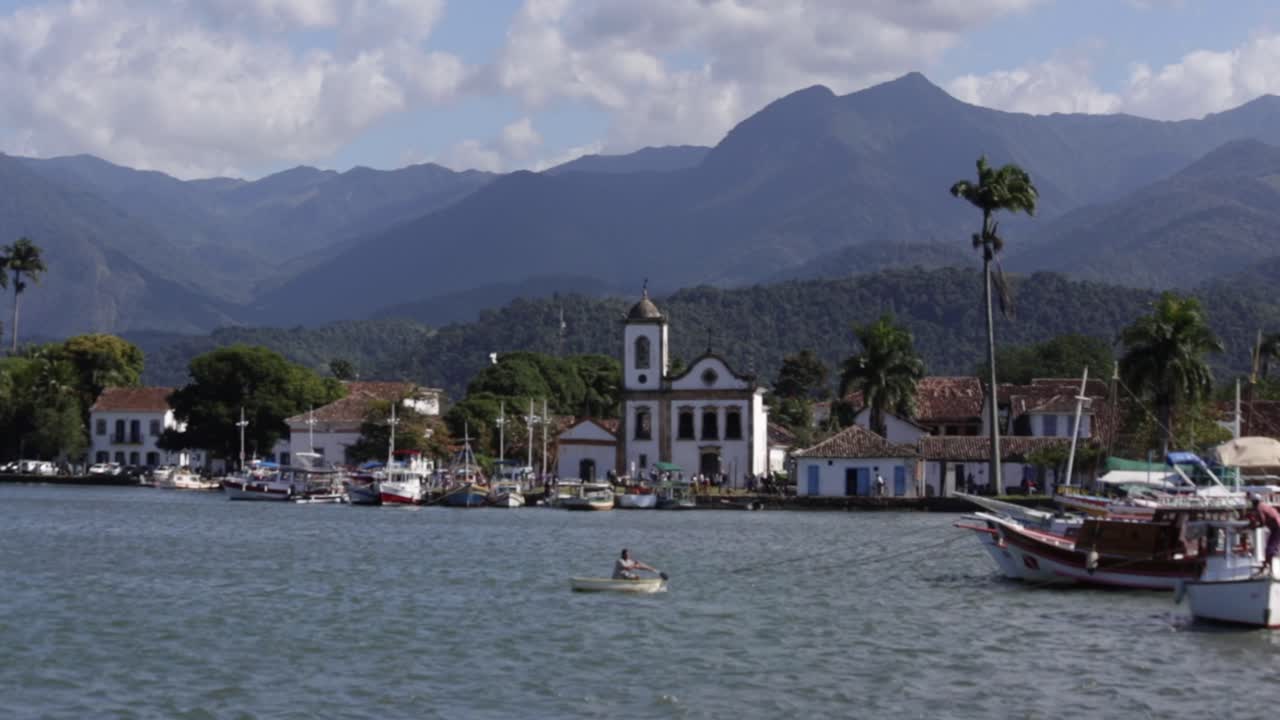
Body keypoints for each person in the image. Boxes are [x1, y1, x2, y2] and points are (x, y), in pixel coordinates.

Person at [1247, 493, 1280, 572]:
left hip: (1277, 528)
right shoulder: (1265, 505)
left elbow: (1262, 521)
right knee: (1272, 546)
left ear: (1254, 502)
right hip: (1276, 527)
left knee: (1270, 548)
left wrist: (1254, 527)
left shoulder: (1259, 508)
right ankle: (1268, 564)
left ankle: (1269, 566)